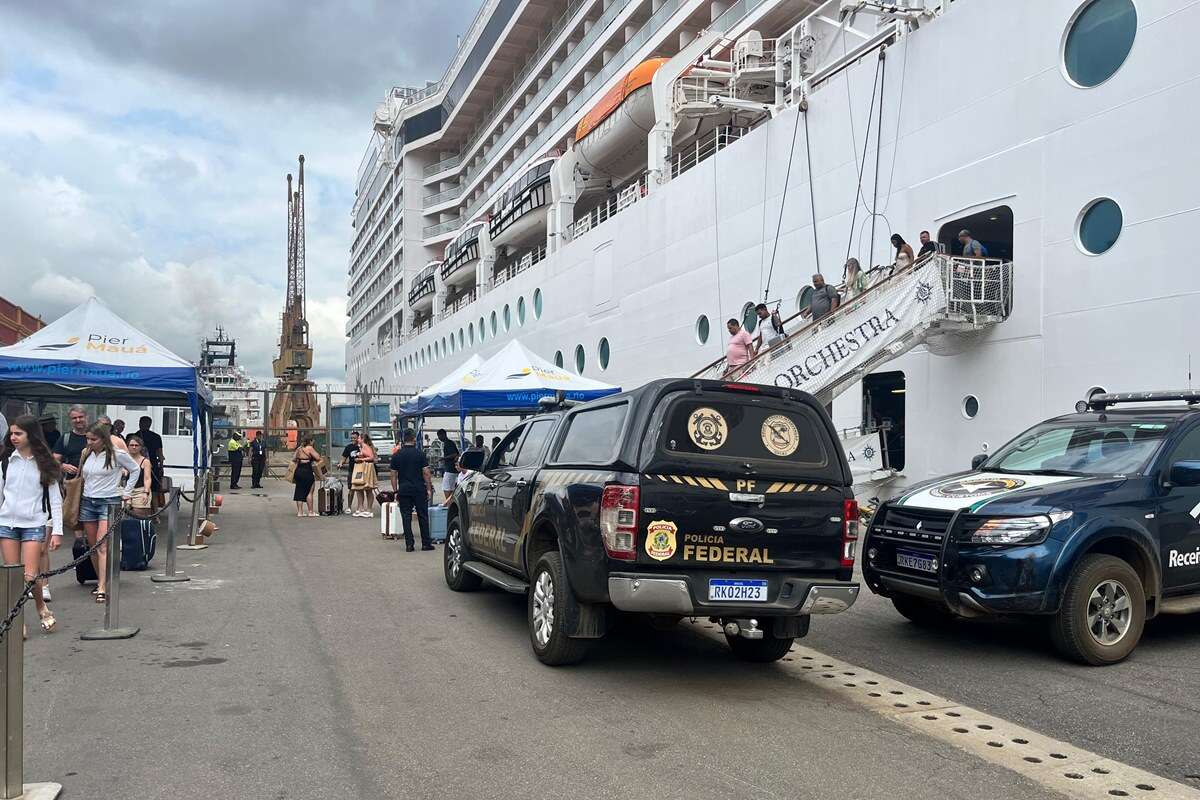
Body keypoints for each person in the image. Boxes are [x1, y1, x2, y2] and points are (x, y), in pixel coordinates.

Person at [0, 414, 64, 635]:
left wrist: (57, 530)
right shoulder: (6, 462)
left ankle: (40, 606)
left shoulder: (45, 464)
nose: (14, 437)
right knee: (12, 576)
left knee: (30, 577)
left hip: (34, 524)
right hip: (7, 523)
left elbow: (56, 500)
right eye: (12, 433)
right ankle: (18, 622)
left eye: (19, 433)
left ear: (31, 435)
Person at [79, 423, 141, 604]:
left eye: (93, 439)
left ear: (103, 438)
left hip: (109, 501)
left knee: (102, 545)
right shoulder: (87, 453)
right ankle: (102, 580)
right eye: (87, 438)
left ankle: (102, 587)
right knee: (92, 546)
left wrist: (127, 492)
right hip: (88, 500)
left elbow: (135, 468)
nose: (89, 442)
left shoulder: (116, 453)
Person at [389, 429, 435, 552]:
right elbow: (426, 473)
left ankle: (409, 544)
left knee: (406, 517)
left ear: (404, 439)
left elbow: (393, 475)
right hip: (419, 489)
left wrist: (395, 491)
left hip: (404, 490)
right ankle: (426, 543)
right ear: (414, 439)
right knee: (423, 516)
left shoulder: (396, 455)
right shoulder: (420, 454)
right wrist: (429, 489)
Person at [133, 416, 166, 509]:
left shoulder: (135, 436)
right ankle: (155, 513)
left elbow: (160, 454)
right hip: (152, 465)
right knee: (153, 490)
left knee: (140, 488)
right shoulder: (156, 437)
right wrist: (161, 467)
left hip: (139, 465)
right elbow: (160, 455)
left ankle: (150, 511)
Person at [123, 434, 156, 515]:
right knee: (120, 515)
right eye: (131, 445)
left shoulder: (145, 461)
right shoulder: (123, 460)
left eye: (136, 445)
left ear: (141, 447)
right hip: (125, 490)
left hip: (140, 490)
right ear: (127, 446)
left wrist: (146, 492)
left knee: (139, 515)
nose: (134, 447)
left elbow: (147, 478)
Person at [291, 436, 321, 517]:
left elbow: (293, 459)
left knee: (299, 490)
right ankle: (310, 512)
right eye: (313, 441)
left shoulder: (299, 448)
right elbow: (318, 457)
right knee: (309, 491)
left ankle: (300, 512)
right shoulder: (310, 448)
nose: (313, 442)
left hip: (298, 471)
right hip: (307, 471)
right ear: (310, 441)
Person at [352, 435, 378, 518]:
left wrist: (361, 459)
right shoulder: (361, 447)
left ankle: (369, 510)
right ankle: (360, 508)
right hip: (361, 469)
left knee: (368, 489)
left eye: (359, 438)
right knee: (359, 488)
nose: (357, 439)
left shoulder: (366, 446)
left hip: (367, 469)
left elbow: (371, 457)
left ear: (362, 439)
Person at [337, 431, 362, 512]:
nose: (353, 439)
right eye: (351, 438)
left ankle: (359, 508)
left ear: (358, 438)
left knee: (359, 489)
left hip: (360, 470)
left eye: (354, 438)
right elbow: (344, 457)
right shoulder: (348, 447)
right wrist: (341, 463)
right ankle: (349, 507)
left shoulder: (361, 446)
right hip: (351, 470)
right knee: (351, 489)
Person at [436, 429, 459, 499]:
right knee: (451, 488)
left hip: (450, 469)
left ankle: (448, 503)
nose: (439, 438)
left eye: (439, 436)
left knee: (446, 487)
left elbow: (455, 454)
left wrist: (443, 458)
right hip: (452, 469)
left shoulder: (449, 443)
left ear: (443, 435)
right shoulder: (449, 443)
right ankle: (451, 502)